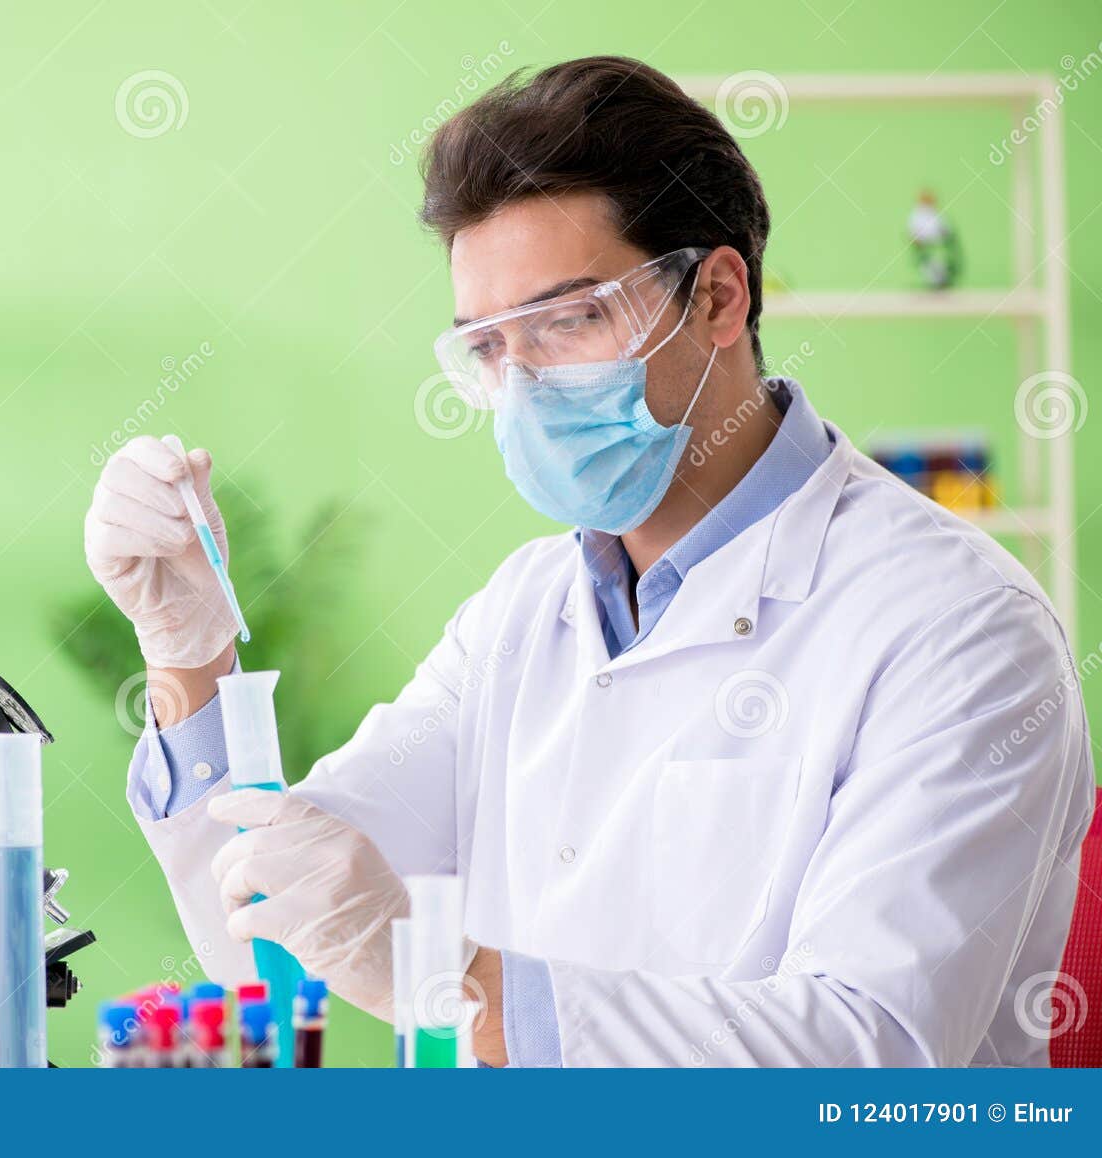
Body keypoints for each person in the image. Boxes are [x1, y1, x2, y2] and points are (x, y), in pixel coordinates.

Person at [84, 56, 1094, 1066]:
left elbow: (868, 1055)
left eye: (568, 320)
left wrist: (445, 980)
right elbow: (260, 930)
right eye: (485, 347)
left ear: (718, 298)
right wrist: (188, 654)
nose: (521, 387)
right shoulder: (521, 614)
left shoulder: (956, 625)